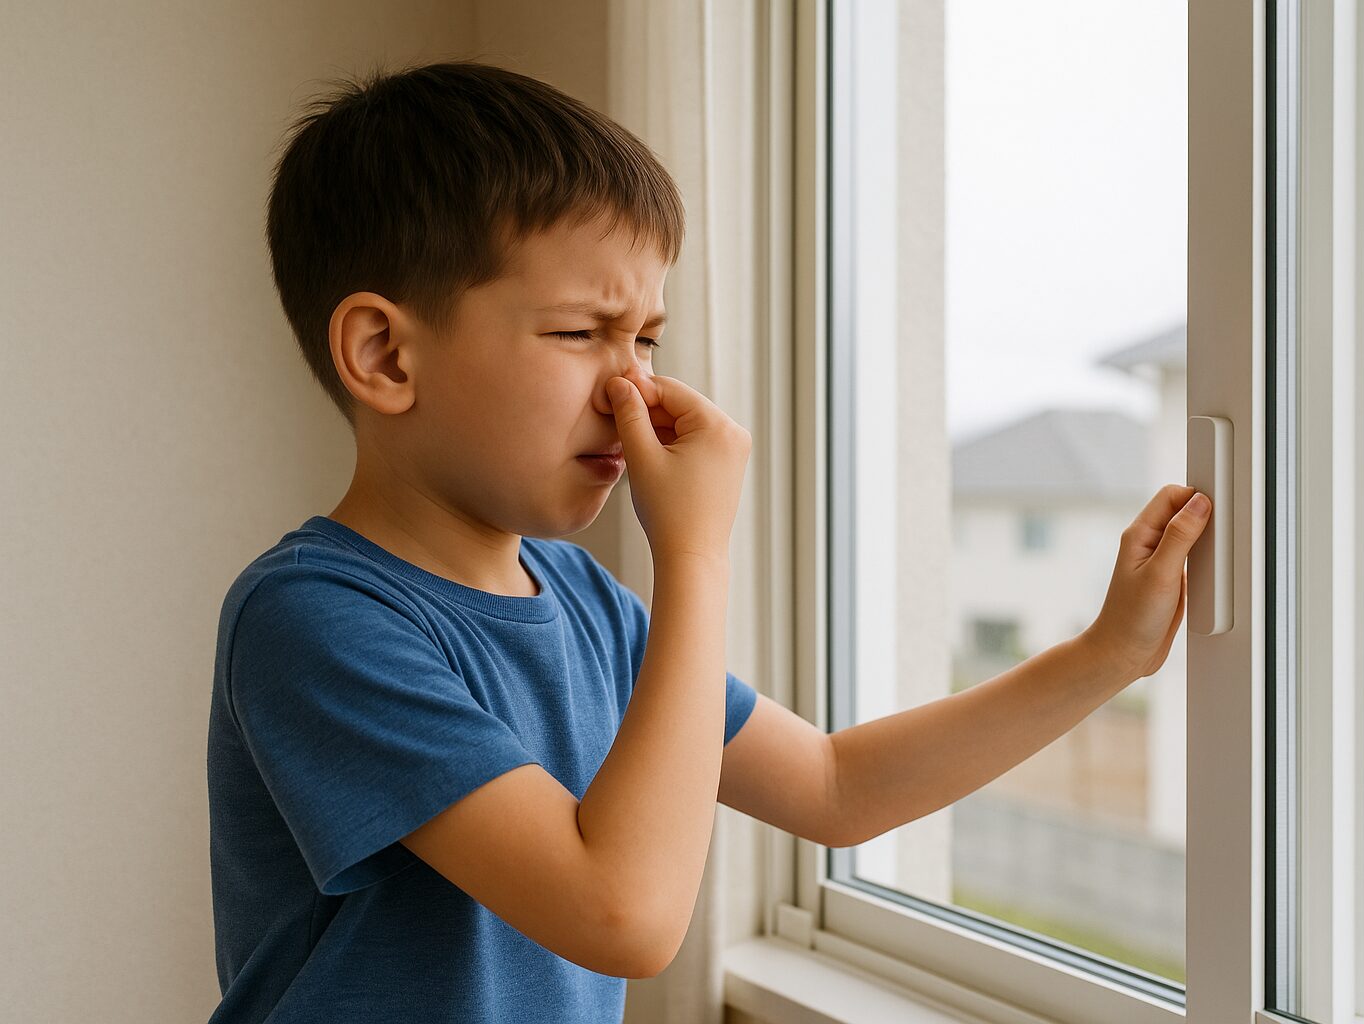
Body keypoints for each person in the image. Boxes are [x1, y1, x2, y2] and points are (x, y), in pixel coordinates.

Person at [206, 58, 1212, 1024]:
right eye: (581, 333)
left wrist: (1106, 656)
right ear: (385, 355)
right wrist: (694, 556)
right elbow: (623, 915)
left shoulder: (582, 600)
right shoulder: (315, 618)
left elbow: (835, 786)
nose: (633, 386)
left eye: (646, 338)